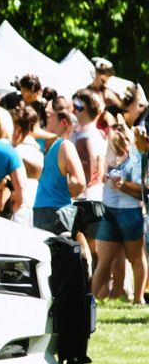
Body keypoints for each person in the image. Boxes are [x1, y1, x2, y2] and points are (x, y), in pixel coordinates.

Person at [93, 123, 145, 303]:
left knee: (134, 259)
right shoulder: (108, 158)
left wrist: (122, 185)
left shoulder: (135, 158)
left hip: (128, 213)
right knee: (109, 262)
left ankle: (136, 299)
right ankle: (96, 299)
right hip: (112, 212)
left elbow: (143, 191)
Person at [32, 108, 88, 236]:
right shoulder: (63, 145)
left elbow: (78, 182)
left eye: (49, 117)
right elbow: (79, 183)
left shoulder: (56, 146)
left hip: (42, 210)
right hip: (56, 211)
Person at [71, 89, 107, 270]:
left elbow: (90, 170)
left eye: (77, 106)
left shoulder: (86, 137)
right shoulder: (98, 133)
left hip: (86, 200)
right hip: (96, 197)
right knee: (94, 247)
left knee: (88, 247)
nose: (73, 109)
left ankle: (93, 286)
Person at [10, 105, 44, 227]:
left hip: (18, 210)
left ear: (17, 129)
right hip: (36, 209)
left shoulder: (16, 153)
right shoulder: (39, 153)